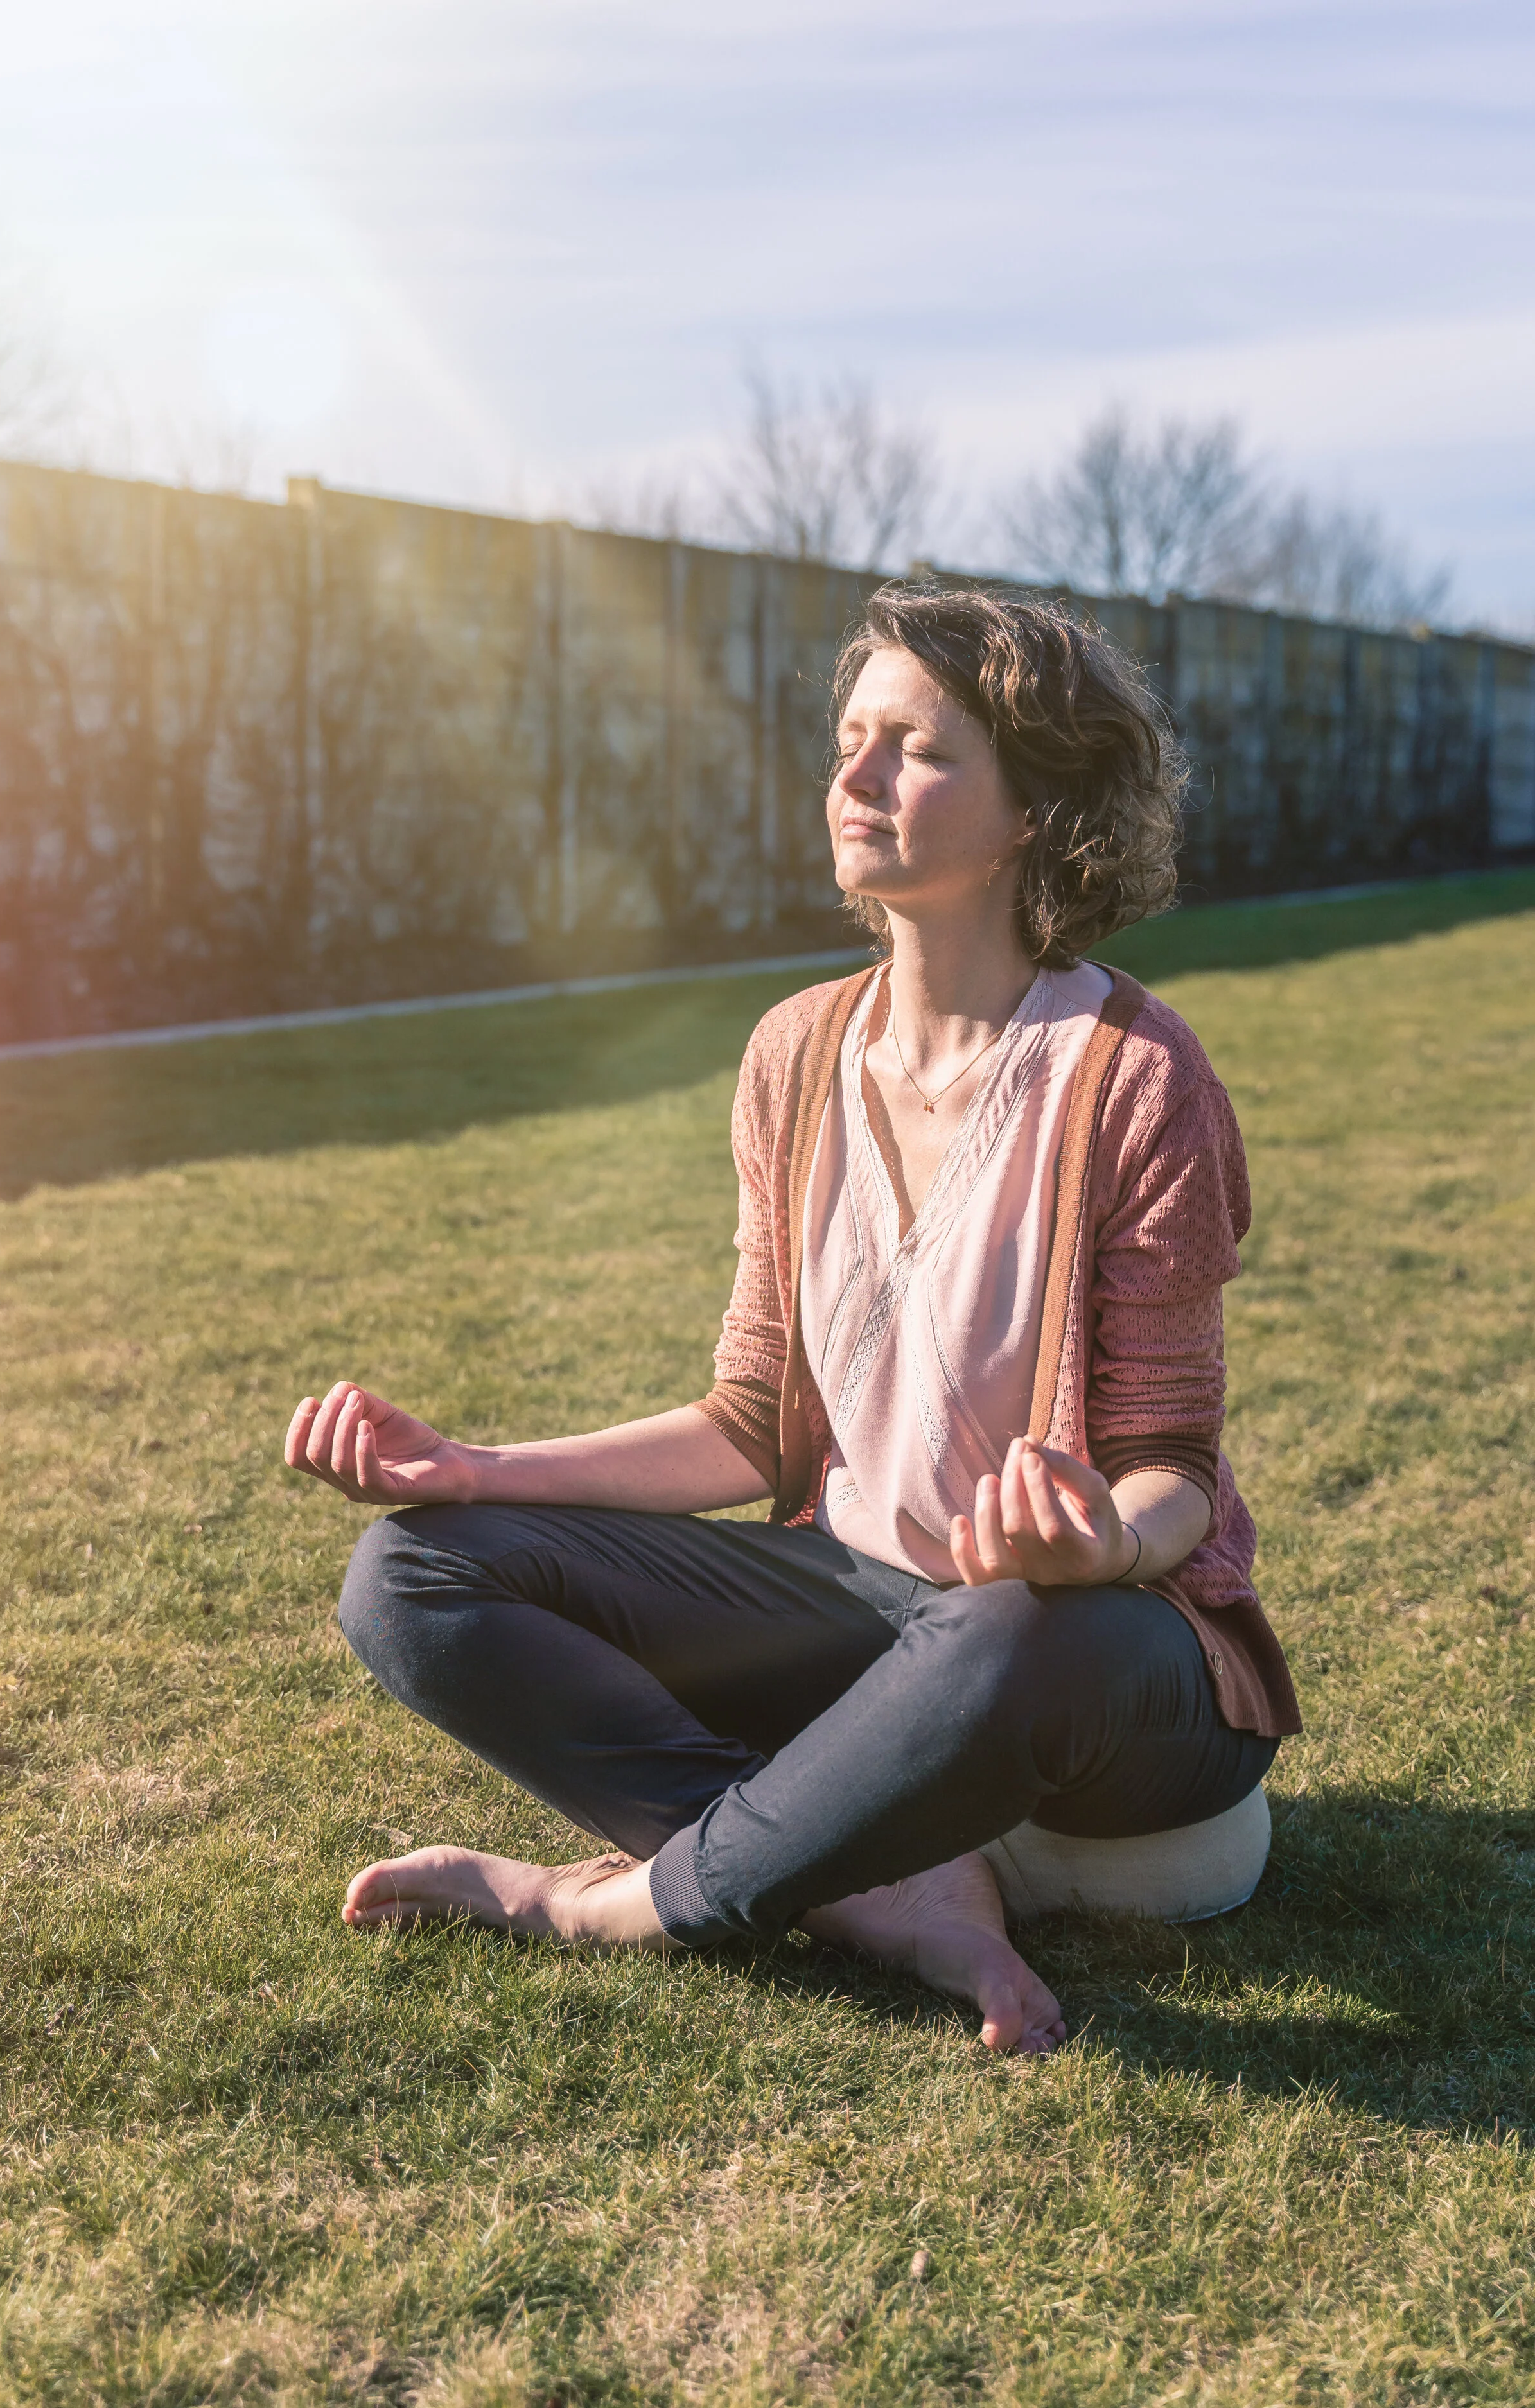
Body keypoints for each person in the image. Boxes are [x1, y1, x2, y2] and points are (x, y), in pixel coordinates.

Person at [285, 583, 1300, 2055]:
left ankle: (597, 1905)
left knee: (1014, 1628)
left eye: (917, 749)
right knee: (412, 1575)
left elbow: (1170, 1472)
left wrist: (1096, 1543)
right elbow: (751, 1417)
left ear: (1033, 809)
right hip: (855, 1613)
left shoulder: (1135, 1076)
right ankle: (886, 1891)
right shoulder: (792, 1053)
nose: (855, 776)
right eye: (849, 739)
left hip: (1092, 1661)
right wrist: (476, 1471)